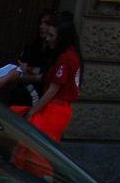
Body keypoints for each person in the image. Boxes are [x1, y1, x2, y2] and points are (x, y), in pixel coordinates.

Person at [24, 10, 81, 141]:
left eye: (51, 35)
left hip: (55, 109)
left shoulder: (66, 57)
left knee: (36, 148)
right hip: (59, 109)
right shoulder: (71, 55)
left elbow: (53, 90)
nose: (47, 38)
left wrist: (32, 111)